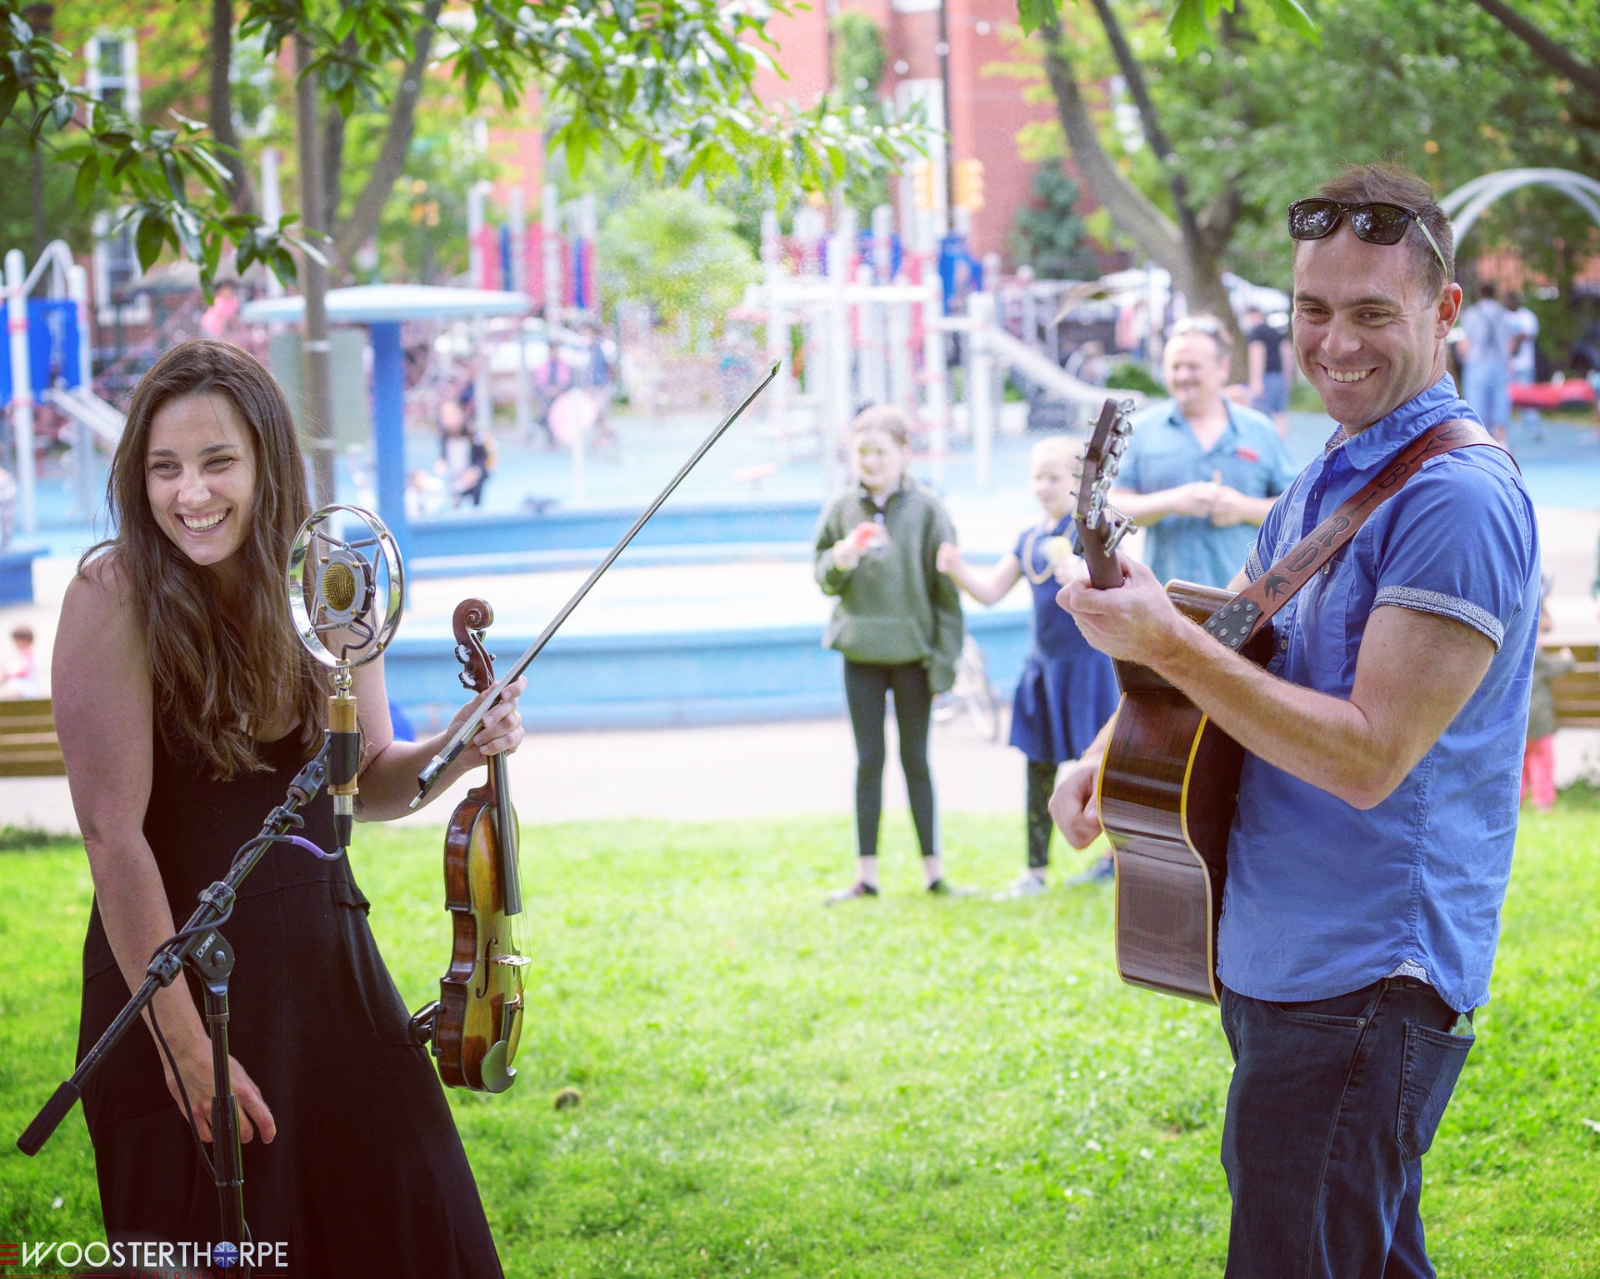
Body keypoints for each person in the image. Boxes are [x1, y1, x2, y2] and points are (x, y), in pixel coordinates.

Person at [1050, 163, 1539, 1277]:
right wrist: (1108, 744)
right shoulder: (1335, 466)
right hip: (1286, 956)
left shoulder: (1451, 499)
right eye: (1313, 310)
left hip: (1365, 980)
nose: (1336, 342)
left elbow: (1370, 755)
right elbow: (1239, 629)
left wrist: (1163, 645)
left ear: (1442, 311)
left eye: (1372, 312)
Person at [54, 339, 528, 1275]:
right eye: (165, 468)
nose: (191, 493)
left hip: (329, 977)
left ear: (268, 462)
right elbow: (115, 841)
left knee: (418, 1231)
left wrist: (459, 744)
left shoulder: (329, 582)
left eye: (217, 461)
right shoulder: (112, 594)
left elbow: (373, 778)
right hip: (183, 988)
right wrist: (188, 1054)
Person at [936, 436, 1119, 897]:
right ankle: (1035, 870)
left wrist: (1081, 578)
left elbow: (1115, 588)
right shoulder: (1030, 539)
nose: (1043, 486)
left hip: (1086, 668)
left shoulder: (1089, 532)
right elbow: (992, 591)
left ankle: (1111, 860)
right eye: (1038, 476)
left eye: (1054, 477)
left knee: (1099, 767)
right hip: (1044, 668)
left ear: (1078, 483)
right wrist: (957, 569)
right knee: (1037, 766)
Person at [814, 404, 963, 903]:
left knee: (915, 760)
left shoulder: (927, 510)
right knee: (868, 761)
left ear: (904, 454)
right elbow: (823, 577)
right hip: (860, 653)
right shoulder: (840, 508)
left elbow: (947, 596)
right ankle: (867, 875)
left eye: (880, 452)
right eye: (861, 452)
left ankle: (934, 872)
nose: (870, 462)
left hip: (913, 656)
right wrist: (840, 559)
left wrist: (944, 664)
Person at [1110, 317, 1298, 593]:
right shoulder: (1141, 430)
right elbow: (1112, 508)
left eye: (1193, 366)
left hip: (1246, 602)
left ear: (1222, 368)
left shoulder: (1259, 429)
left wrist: (1243, 508)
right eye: (1175, 366)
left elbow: (1296, 510)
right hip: (1167, 603)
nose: (1183, 375)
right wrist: (1173, 501)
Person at [1522, 588, 1571, 811]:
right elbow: (1562, 665)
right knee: (1543, 761)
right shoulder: (1539, 658)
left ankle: (1518, 798)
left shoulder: (1521, 654)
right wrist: (1567, 659)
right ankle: (1543, 801)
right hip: (1540, 723)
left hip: (1521, 723)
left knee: (1520, 762)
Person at [1457, 281, 1513, 442]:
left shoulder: (1472, 313)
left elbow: (1465, 343)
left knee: (1476, 405)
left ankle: (1481, 442)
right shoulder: (1503, 313)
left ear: (1479, 294)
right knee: (1500, 401)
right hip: (1499, 363)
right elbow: (1509, 341)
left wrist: (1462, 359)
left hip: (1477, 363)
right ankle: (1502, 440)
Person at [1243, 305, 1294, 439]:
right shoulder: (1277, 333)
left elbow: (1257, 354)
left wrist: (1256, 381)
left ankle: (1262, 444)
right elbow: (1287, 352)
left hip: (1266, 377)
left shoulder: (1257, 332)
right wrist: (1287, 378)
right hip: (1279, 376)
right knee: (1280, 413)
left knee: (1260, 412)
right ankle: (1281, 442)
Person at [436, 395, 492, 508]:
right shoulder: (444, 436)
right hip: (454, 476)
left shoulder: (473, 434)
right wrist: (442, 462)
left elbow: (484, 456)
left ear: (461, 414)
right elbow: (443, 456)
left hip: (472, 477)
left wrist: (476, 470)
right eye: (445, 416)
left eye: (451, 415)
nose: (448, 420)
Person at [1506, 290, 1542, 439]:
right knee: (1505, 398)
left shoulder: (1527, 316)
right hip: (1507, 365)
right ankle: (1503, 431)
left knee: (1527, 397)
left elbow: (1527, 334)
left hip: (1524, 364)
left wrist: (1514, 343)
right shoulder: (1503, 316)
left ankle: (1533, 428)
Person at [1, 623, 40, 698]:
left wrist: (9, 674)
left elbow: (24, 672)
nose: (15, 644)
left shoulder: (28, 653)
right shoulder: (26, 653)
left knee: (10, 694)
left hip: (28, 689)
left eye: (16, 641)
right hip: (25, 687)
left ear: (24, 640)